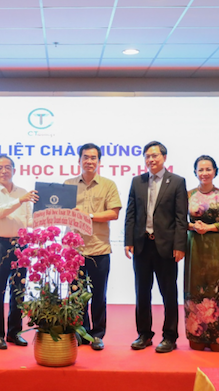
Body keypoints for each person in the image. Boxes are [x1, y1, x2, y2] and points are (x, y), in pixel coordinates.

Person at [124, 141, 188, 353]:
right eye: (147, 156)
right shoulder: (137, 181)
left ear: (164, 157)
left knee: (168, 293)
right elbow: (131, 213)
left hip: (166, 247)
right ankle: (144, 334)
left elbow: (181, 218)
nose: (151, 159)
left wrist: (180, 245)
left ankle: (170, 336)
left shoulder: (177, 182)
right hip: (142, 245)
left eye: (155, 156)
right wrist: (129, 241)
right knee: (142, 292)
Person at [65, 143, 122, 351]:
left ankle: (97, 334)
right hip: (74, 250)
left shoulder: (108, 185)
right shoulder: (68, 184)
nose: (89, 161)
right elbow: (60, 210)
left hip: (98, 248)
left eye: (93, 158)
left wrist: (87, 216)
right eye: (85, 157)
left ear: (99, 161)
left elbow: (114, 213)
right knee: (76, 294)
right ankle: (81, 332)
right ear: (79, 160)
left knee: (98, 294)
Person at [0, 155, 37, 350]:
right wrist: (20, 200)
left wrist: (49, 215)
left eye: (7, 167)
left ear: (14, 169)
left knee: (18, 290)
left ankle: (14, 332)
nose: (4, 171)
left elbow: (28, 221)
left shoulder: (23, 192)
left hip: (20, 245)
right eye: (0, 168)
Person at [185, 155, 219, 352]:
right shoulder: (188, 195)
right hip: (194, 246)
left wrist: (210, 227)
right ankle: (197, 337)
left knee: (217, 289)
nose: (204, 173)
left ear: (215, 171)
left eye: (208, 169)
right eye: (201, 169)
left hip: (216, 247)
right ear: (195, 172)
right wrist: (193, 226)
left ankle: (218, 337)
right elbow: (178, 219)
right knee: (195, 288)